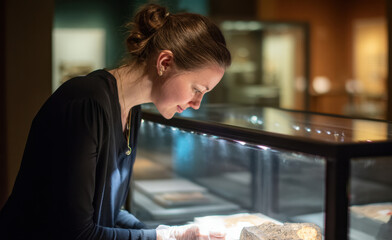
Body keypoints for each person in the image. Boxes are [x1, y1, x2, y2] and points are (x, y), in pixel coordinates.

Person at [0, 3, 231, 240]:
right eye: (197, 89)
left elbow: (107, 212)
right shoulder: (87, 103)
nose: (197, 103)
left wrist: (170, 233)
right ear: (164, 63)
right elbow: (76, 233)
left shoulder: (132, 110)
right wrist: (165, 237)